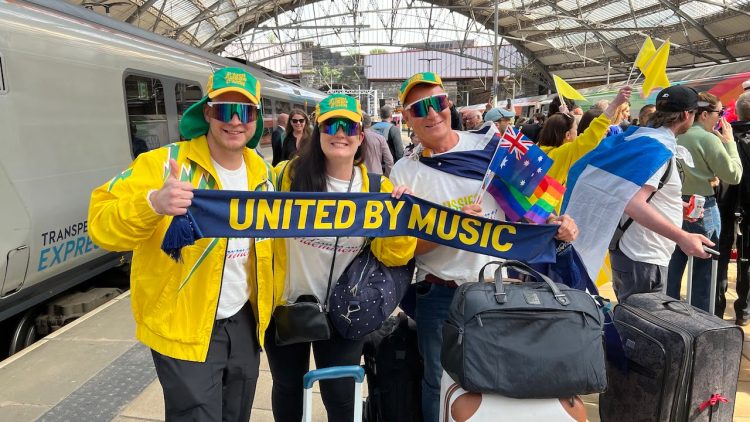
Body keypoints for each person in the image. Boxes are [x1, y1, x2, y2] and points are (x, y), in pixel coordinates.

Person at [390, 72, 578, 422]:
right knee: (438, 383)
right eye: (420, 109)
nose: (432, 114)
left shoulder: (494, 145)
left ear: (449, 104)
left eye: (438, 103)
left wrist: (560, 222)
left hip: (501, 290)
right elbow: (409, 248)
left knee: (502, 381)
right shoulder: (405, 173)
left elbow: (538, 211)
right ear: (406, 118)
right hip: (440, 295)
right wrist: (453, 225)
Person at [88, 67, 275, 422]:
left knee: (236, 415)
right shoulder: (160, 163)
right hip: (183, 323)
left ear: (256, 119)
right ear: (206, 113)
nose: (234, 121)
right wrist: (152, 204)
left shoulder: (261, 172)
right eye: (224, 110)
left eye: (245, 111)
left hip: (243, 322)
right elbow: (100, 226)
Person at [267, 94, 416, 422]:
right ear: (317, 131)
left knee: (341, 397)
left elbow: (395, 257)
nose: (340, 133)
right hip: (285, 305)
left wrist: (400, 217)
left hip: (344, 311)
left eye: (349, 126)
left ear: (360, 136)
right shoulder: (286, 177)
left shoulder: (376, 186)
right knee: (288, 389)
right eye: (330, 124)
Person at [608, 86, 715, 303]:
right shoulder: (657, 149)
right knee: (643, 331)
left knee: (633, 325)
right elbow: (633, 202)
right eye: (694, 114)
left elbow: (638, 193)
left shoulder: (642, 140)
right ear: (686, 115)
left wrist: (676, 207)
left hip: (631, 251)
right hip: (644, 256)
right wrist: (683, 237)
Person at [666, 92, 743, 314]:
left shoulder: (676, 134)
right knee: (704, 271)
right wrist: (729, 144)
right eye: (719, 113)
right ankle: (699, 321)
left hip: (674, 205)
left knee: (673, 265)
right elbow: (734, 175)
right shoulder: (708, 139)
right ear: (705, 114)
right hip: (702, 207)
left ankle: (666, 316)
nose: (721, 119)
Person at [537, 86, 632, 190]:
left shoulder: (537, 149)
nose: (578, 134)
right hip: (546, 205)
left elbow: (559, 126)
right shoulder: (563, 153)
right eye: (576, 129)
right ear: (568, 135)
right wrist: (615, 104)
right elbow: (590, 137)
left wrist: (564, 114)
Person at [718, 91, 750, 325]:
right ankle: (744, 310)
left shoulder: (720, 135)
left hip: (723, 204)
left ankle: (716, 308)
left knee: (719, 258)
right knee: (747, 261)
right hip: (748, 206)